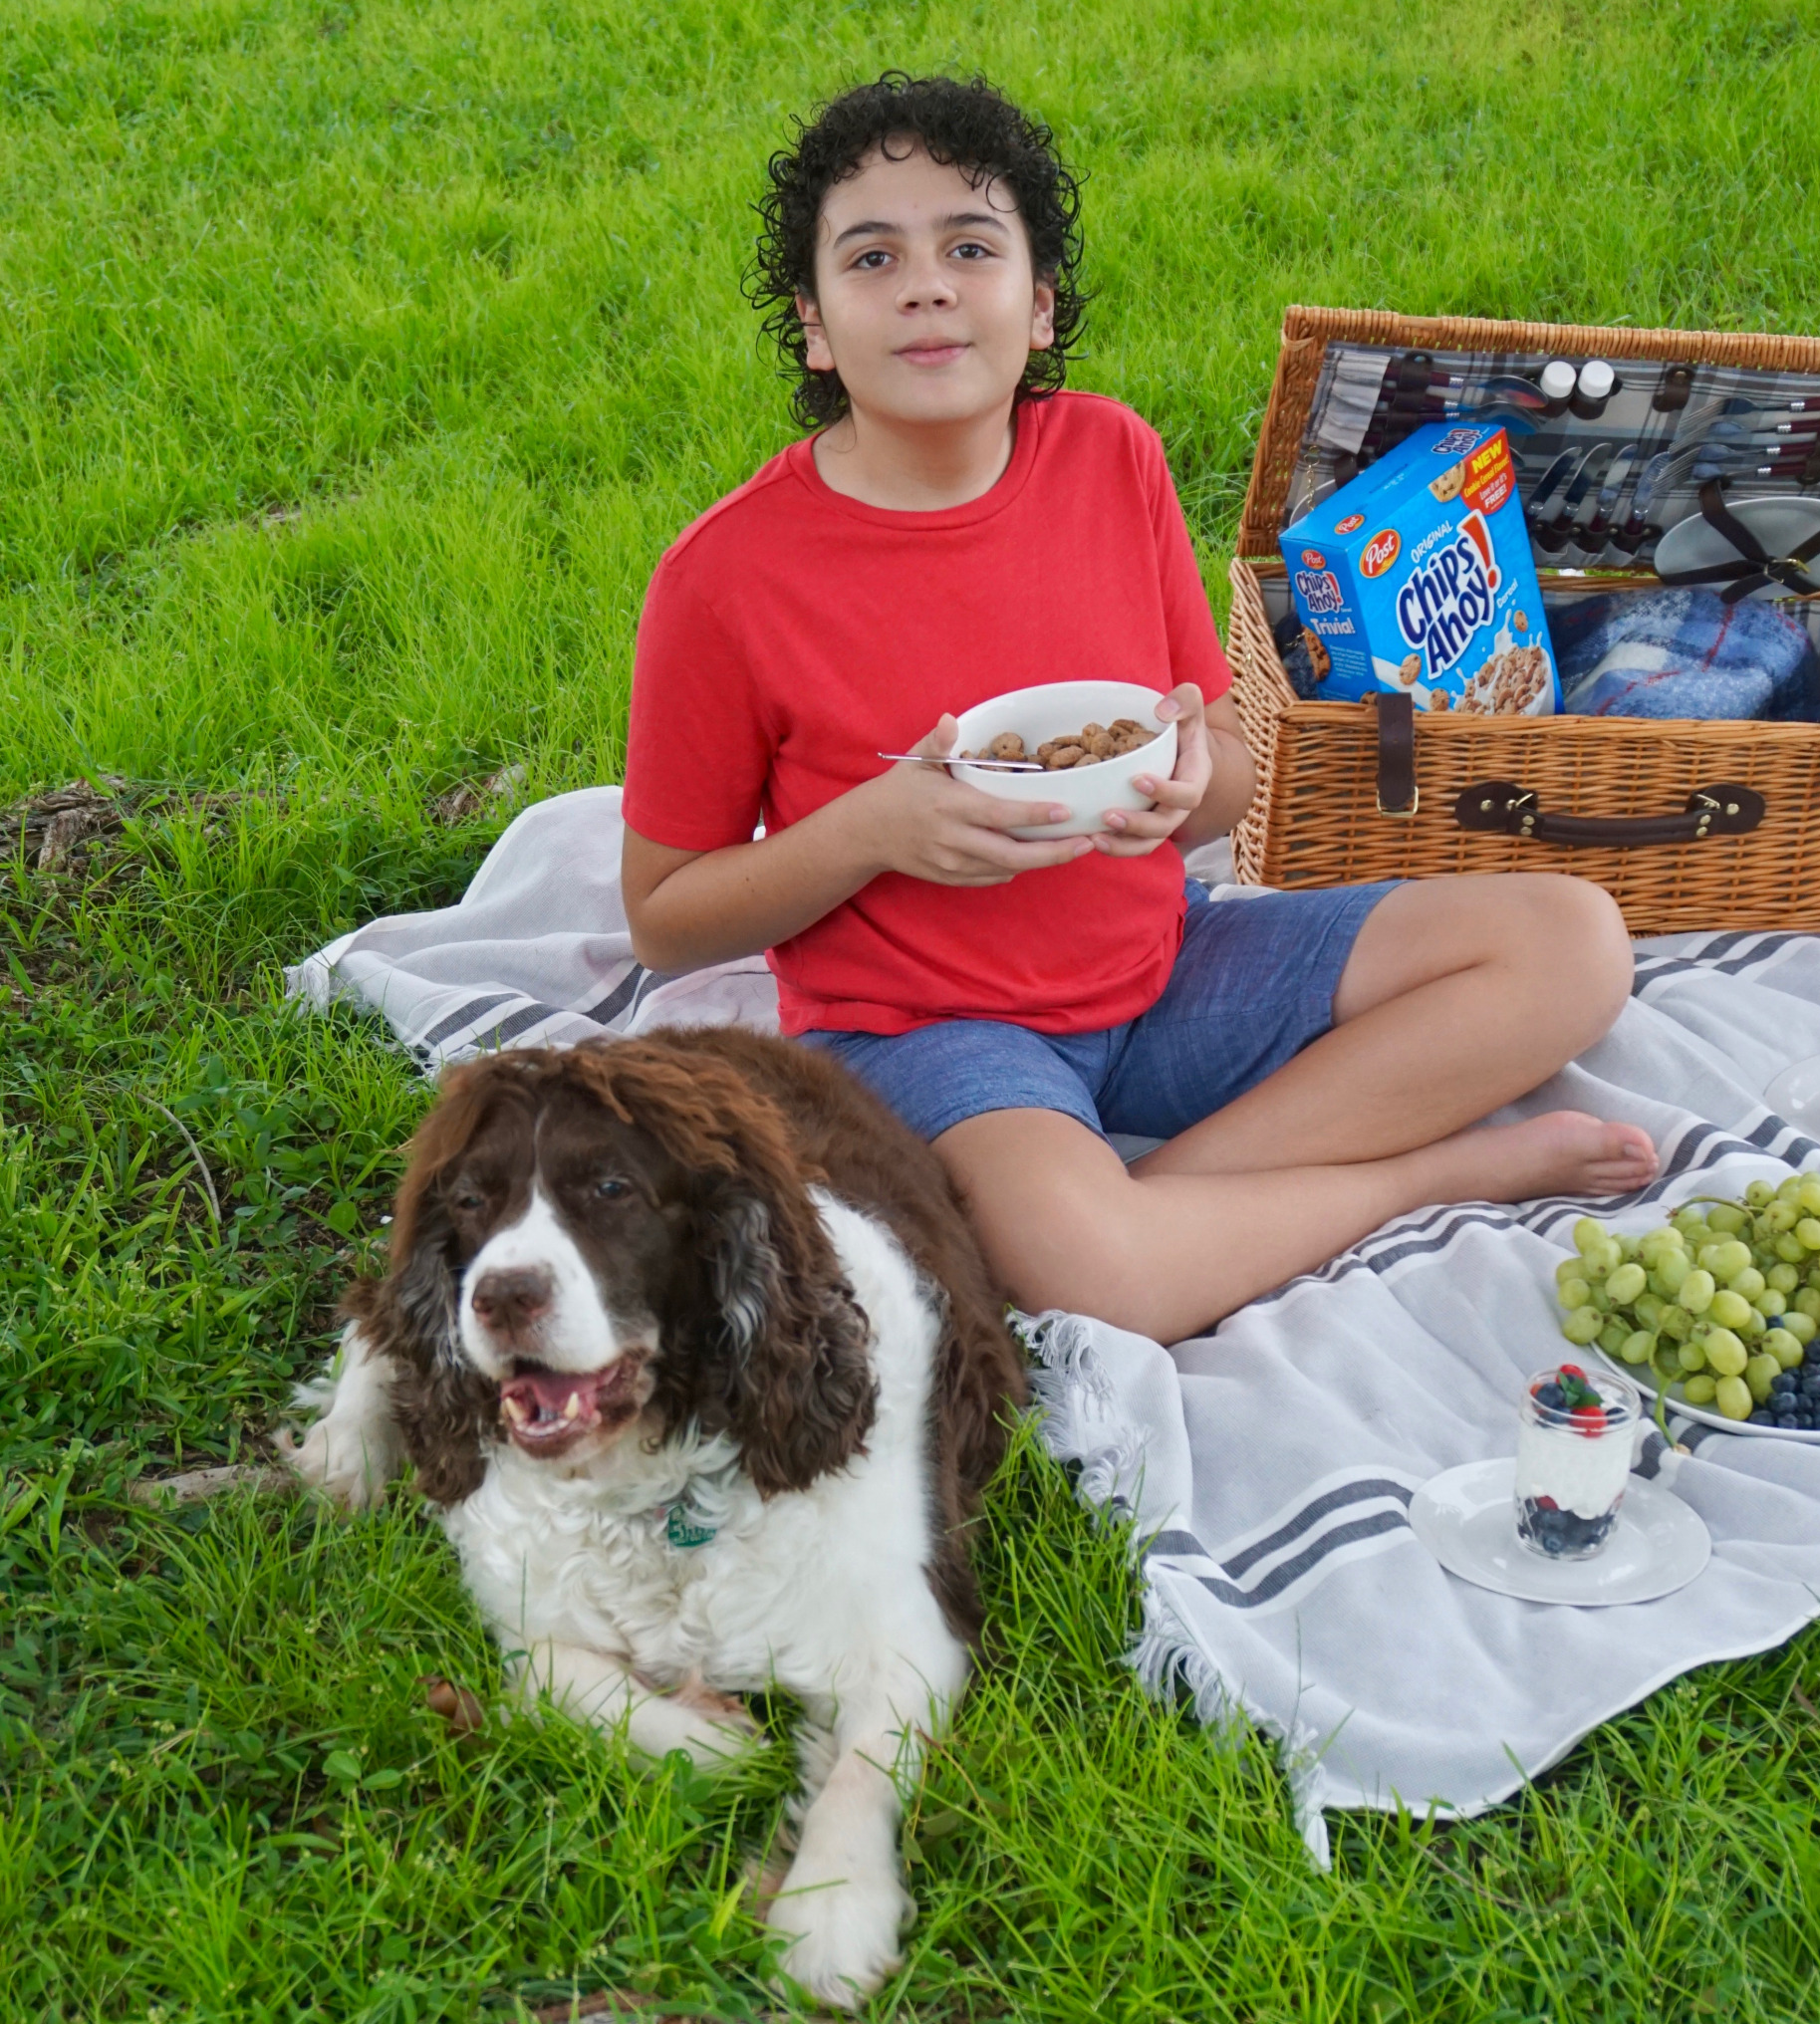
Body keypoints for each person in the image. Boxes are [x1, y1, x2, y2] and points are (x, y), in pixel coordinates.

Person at [621, 73, 1657, 1347]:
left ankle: (1154, 1202)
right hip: (929, 1034)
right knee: (1104, 1282)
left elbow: (1219, 756)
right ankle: (1421, 1176)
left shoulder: (1113, 458)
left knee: (1573, 941)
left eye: (970, 246)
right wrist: (869, 828)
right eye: (872, 256)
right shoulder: (725, 578)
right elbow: (664, 917)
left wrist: (1181, 785)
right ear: (816, 326)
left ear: (1038, 305)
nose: (927, 284)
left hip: (1166, 967)